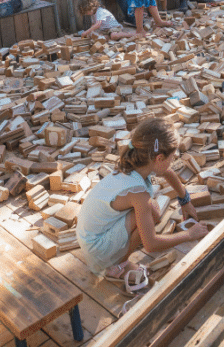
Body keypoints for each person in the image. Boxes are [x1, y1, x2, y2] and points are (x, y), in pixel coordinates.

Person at [76, 118, 207, 284]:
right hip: (97, 249)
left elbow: (166, 172)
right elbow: (151, 244)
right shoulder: (138, 194)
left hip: (88, 235)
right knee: (150, 213)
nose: (173, 161)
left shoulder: (135, 162)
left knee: (152, 212)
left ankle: (119, 253)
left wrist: (185, 200)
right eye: (172, 157)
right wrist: (189, 234)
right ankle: (116, 265)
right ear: (159, 158)